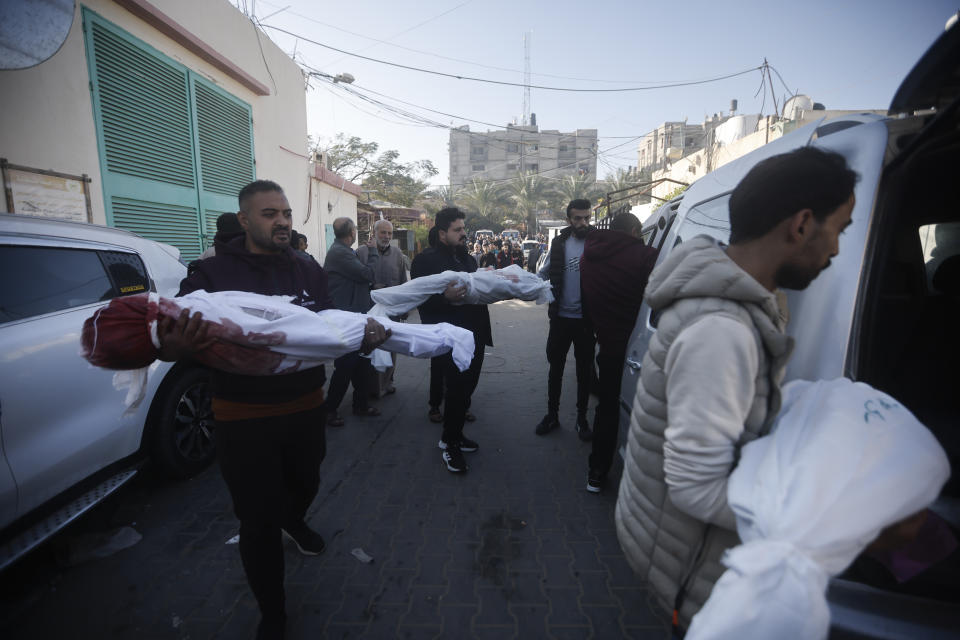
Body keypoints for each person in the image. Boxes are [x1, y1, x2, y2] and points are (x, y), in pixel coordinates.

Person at [615, 147, 858, 630]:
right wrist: (841, 520)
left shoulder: (745, 303)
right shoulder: (721, 331)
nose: (835, 249)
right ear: (803, 224)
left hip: (681, 558)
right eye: (840, 230)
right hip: (697, 577)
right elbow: (697, 488)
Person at [157, 180, 389, 639]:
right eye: (269, 214)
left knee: (307, 482)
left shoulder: (307, 270)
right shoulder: (209, 277)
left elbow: (328, 326)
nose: (281, 221)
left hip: (305, 407)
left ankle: (294, 518)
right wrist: (173, 345)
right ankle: (274, 612)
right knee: (256, 518)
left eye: (285, 213)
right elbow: (168, 343)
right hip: (241, 415)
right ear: (244, 220)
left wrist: (364, 334)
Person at [579, 213, 657, 493]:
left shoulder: (588, 257)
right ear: (635, 231)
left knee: (607, 409)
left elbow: (585, 302)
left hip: (608, 346)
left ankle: (597, 472)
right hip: (644, 346)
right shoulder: (645, 256)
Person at [411, 207, 491, 473]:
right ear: (442, 232)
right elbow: (418, 297)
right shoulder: (426, 261)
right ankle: (450, 445)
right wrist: (444, 298)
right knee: (455, 391)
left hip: (475, 333)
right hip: (449, 336)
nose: (463, 233)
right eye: (457, 229)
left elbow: (477, 290)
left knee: (466, 389)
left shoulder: (467, 259)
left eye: (463, 228)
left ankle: (454, 434)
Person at [533, 199, 596, 441]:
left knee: (584, 372)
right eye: (578, 218)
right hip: (560, 318)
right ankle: (552, 415)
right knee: (555, 369)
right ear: (569, 219)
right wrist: (527, 286)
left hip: (585, 321)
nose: (583, 222)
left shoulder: (596, 243)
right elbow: (543, 272)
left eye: (587, 218)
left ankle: (582, 419)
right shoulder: (559, 243)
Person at [323, 217, 381, 426]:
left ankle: (361, 404)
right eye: (355, 229)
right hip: (346, 317)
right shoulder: (340, 253)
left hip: (355, 314)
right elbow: (367, 274)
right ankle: (329, 409)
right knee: (346, 364)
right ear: (351, 233)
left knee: (362, 362)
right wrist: (373, 252)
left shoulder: (345, 251)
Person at [358, 218, 407, 396]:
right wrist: (371, 287)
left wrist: (405, 308)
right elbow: (356, 281)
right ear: (374, 232)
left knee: (390, 345)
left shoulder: (397, 254)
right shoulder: (361, 253)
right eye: (383, 232)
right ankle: (371, 387)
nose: (386, 236)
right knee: (369, 347)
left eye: (389, 233)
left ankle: (387, 383)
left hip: (391, 310)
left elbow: (403, 282)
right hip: (369, 310)